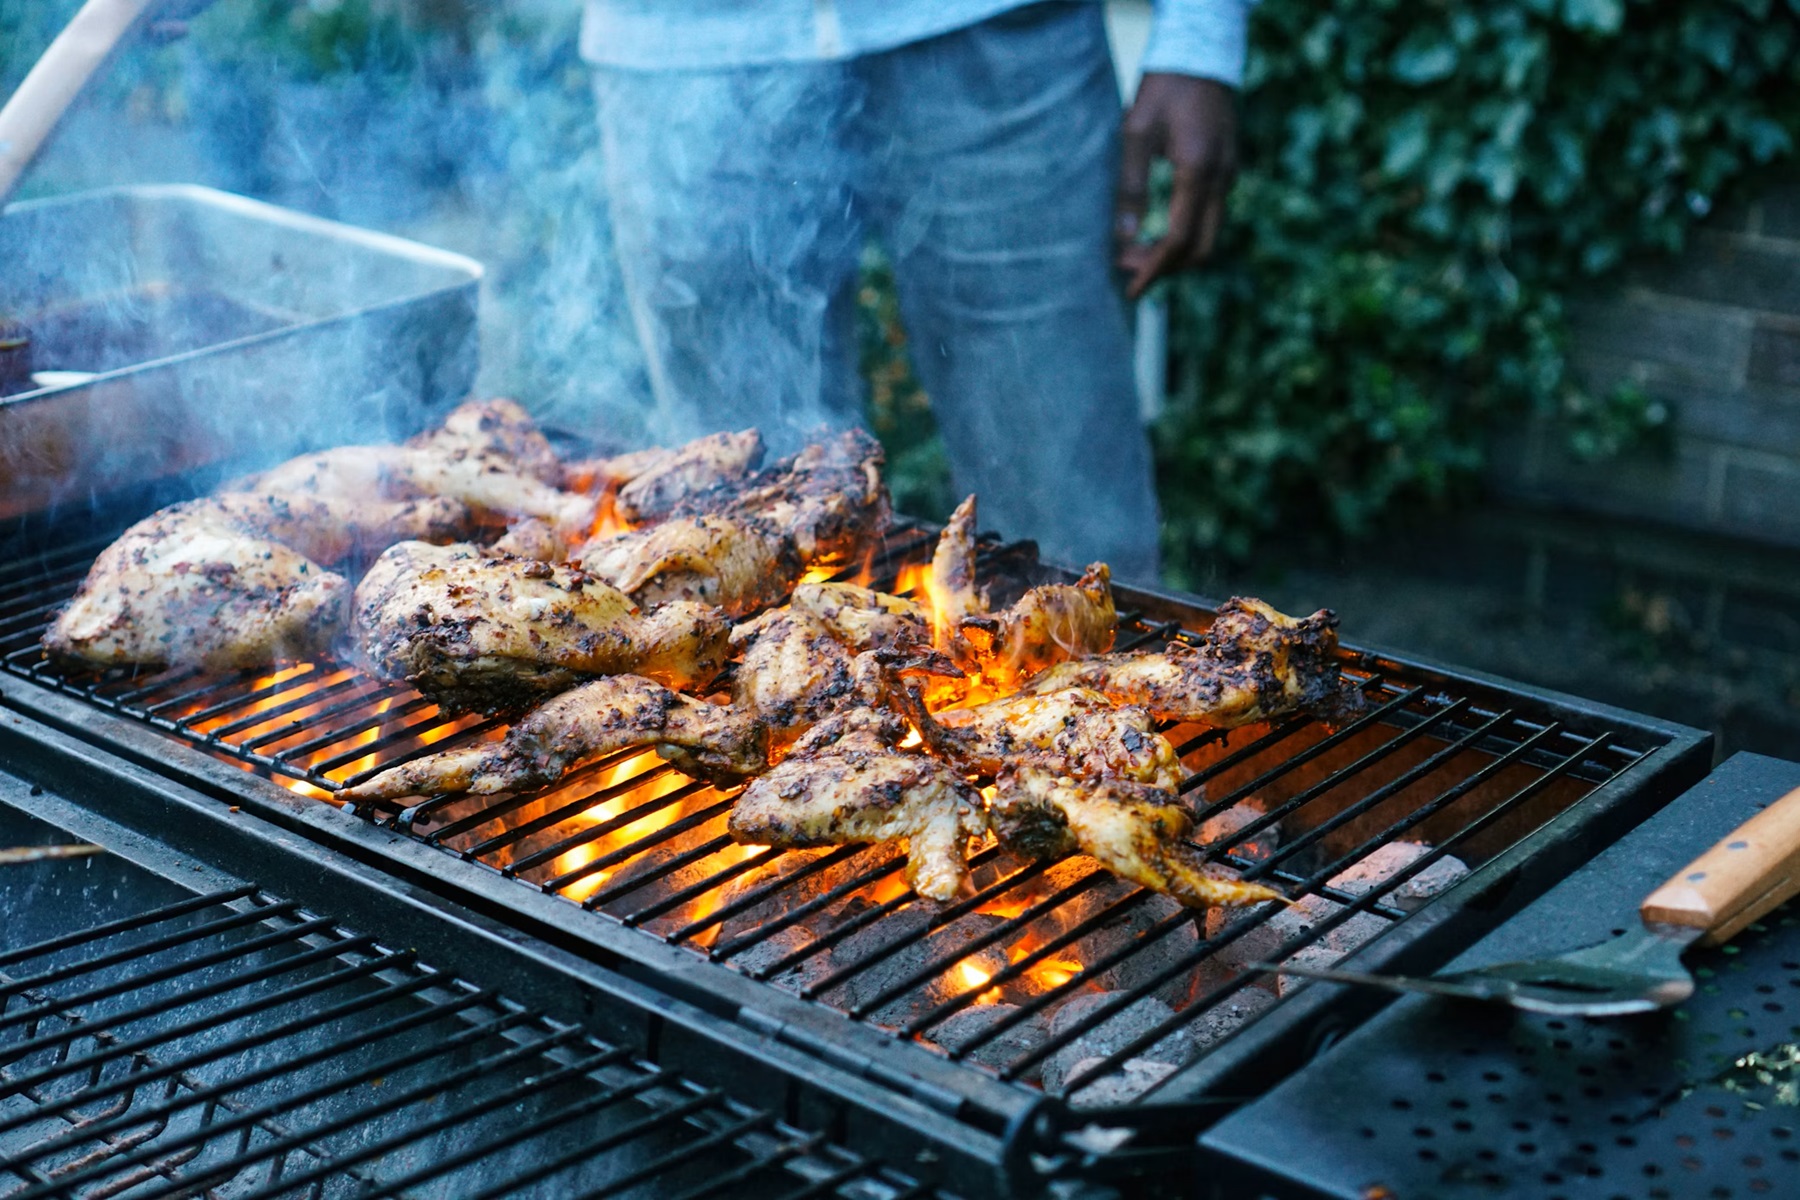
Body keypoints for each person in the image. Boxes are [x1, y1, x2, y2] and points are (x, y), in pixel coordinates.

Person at [582, 1, 1251, 583]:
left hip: (997, 40)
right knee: (727, 547)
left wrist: (1202, 33)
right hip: (682, 58)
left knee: (1074, 547)